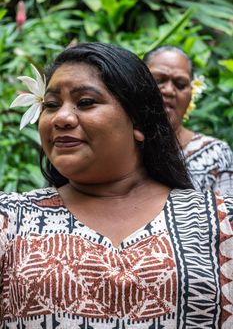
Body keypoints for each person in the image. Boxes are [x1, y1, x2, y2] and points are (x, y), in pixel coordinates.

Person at [0, 42, 233, 329]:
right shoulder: (9, 220)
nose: (61, 117)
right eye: (50, 105)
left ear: (138, 121)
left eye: (85, 102)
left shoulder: (221, 221)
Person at [143, 46, 233, 194]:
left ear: (192, 94)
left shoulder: (216, 154)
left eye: (180, 85)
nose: (169, 91)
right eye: (159, 80)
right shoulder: (122, 147)